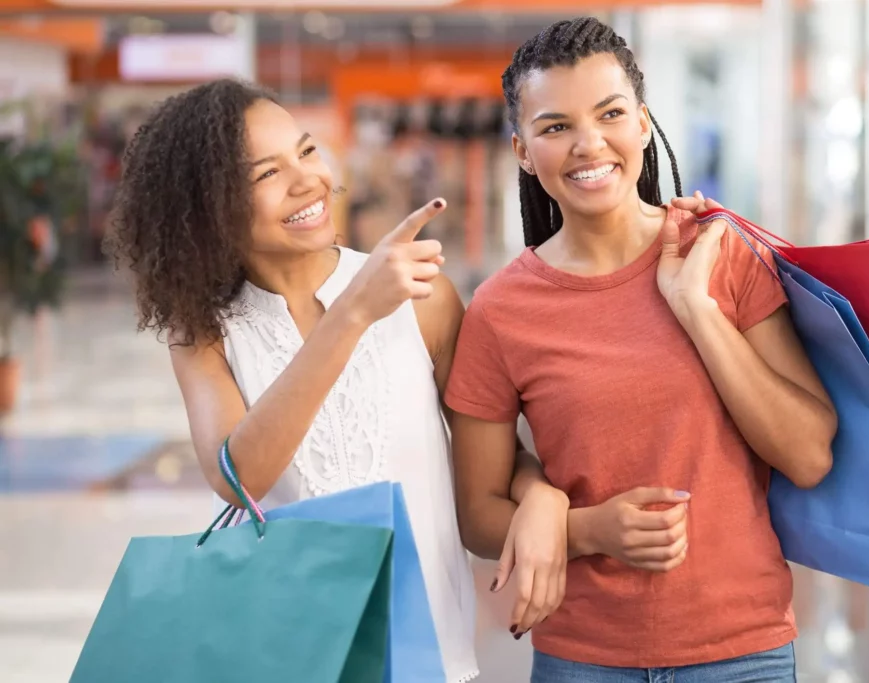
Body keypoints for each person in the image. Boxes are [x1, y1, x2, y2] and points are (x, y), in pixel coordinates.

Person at [104, 79, 568, 683]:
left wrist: (542, 497)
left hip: (422, 651)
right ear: (208, 207)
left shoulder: (422, 299)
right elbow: (239, 477)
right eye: (265, 174)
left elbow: (495, 458)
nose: (307, 181)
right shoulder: (206, 333)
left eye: (305, 151)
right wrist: (351, 313)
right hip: (291, 654)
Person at [445, 17, 839, 682]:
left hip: (743, 651)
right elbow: (477, 513)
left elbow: (808, 454)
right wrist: (586, 529)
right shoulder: (499, 311)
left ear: (643, 122)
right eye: (555, 126)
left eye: (610, 114)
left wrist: (698, 310)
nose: (588, 143)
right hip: (583, 657)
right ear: (521, 149)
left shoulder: (718, 252)